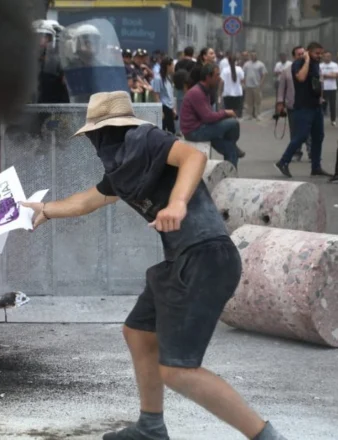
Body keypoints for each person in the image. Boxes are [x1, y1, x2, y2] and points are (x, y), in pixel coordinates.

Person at [21, 90, 288, 440]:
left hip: (205, 257)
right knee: (138, 333)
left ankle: (268, 438)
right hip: (180, 261)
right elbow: (88, 200)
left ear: (107, 131)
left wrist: (177, 203)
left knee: (179, 371)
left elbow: (192, 157)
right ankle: (151, 427)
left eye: (97, 137)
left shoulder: (145, 138)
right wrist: (47, 210)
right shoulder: (122, 171)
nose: (98, 145)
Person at [276, 42, 332, 178]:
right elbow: (301, 78)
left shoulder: (316, 64)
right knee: (300, 136)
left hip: (316, 106)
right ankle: (283, 161)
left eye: (321, 53)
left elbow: (317, 82)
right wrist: (306, 60)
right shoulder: (300, 63)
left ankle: (316, 167)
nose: (319, 56)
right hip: (303, 107)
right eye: (316, 53)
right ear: (308, 52)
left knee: (318, 136)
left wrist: (321, 98)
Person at [180, 63, 241, 167]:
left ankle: (231, 174)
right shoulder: (197, 92)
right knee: (233, 123)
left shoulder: (206, 90)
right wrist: (226, 113)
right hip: (195, 131)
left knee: (230, 150)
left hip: (201, 126)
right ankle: (233, 144)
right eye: (217, 75)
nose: (219, 78)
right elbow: (208, 117)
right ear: (208, 77)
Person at [277, 46, 312, 162]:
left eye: (303, 53)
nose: (301, 56)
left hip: (309, 105)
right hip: (293, 105)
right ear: (294, 56)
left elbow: (319, 84)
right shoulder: (287, 71)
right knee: (295, 131)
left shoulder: (311, 68)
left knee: (309, 130)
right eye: (299, 54)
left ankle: (311, 152)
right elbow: (281, 89)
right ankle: (296, 152)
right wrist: (280, 103)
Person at [152, 56, 176, 133]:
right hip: (163, 107)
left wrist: (173, 109)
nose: (173, 67)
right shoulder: (158, 78)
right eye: (172, 65)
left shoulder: (168, 78)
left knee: (171, 130)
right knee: (163, 130)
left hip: (169, 107)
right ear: (168, 66)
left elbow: (170, 94)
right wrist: (160, 110)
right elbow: (156, 95)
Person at [242, 51, 267, 120]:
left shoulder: (260, 64)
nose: (253, 56)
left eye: (254, 55)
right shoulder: (246, 64)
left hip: (256, 86)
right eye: (252, 55)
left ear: (256, 56)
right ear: (250, 56)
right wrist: (244, 82)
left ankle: (258, 114)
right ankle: (249, 115)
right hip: (248, 86)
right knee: (249, 102)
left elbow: (264, 74)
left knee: (257, 101)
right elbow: (243, 74)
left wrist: (261, 83)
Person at [320, 51, 338, 126]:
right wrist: (330, 75)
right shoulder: (320, 65)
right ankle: (320, 120)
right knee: (322, 104)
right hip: (322, 88)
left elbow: (335, 75)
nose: (327, 57)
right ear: (323, 57)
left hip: (332, 88)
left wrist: (325, 75)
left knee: (332, 105)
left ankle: (333, 120)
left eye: (329, 56)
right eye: (326, 56)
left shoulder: (335, 65)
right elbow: (319, 76)